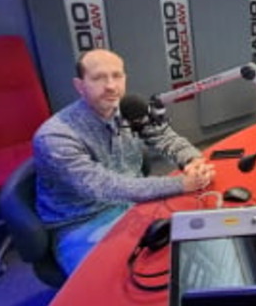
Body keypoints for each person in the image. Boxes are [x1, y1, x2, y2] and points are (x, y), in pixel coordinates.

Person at [33, 49, 215, 275]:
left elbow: (164, 136)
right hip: (83, 222)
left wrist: (191, 159)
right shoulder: (56, 136)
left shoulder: (129, 110)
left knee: (198, 247)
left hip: (134, 205)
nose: (111, 86)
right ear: (79, 85)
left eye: (117, 76)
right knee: (116, 284)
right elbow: (105, 187)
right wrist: (181, 184)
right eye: (99, 78)